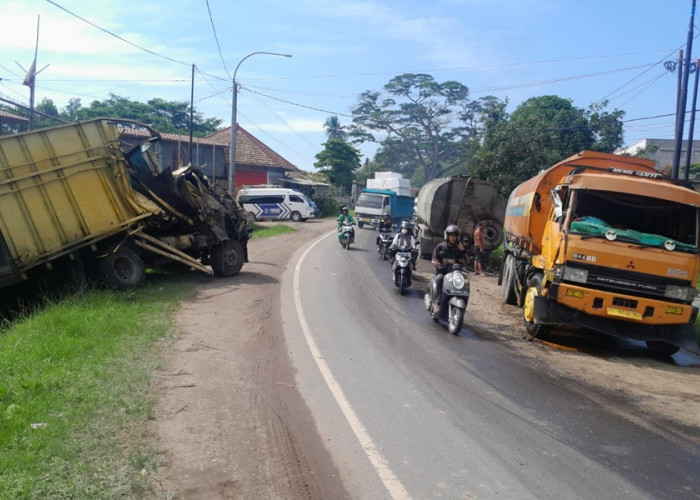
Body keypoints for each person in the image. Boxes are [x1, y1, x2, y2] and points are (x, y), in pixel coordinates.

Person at [430, 224, 468, 312]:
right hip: (442, 272)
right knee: (439, 279)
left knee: (463, 283)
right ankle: (438, 301)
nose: (453, 238)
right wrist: (437, 264)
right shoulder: (440, 247)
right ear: (447, 236)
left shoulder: (459, 248)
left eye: (455, 236)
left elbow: (466, 261)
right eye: (451, 235)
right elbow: (434, 259)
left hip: (454, 273)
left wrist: (463, 251)